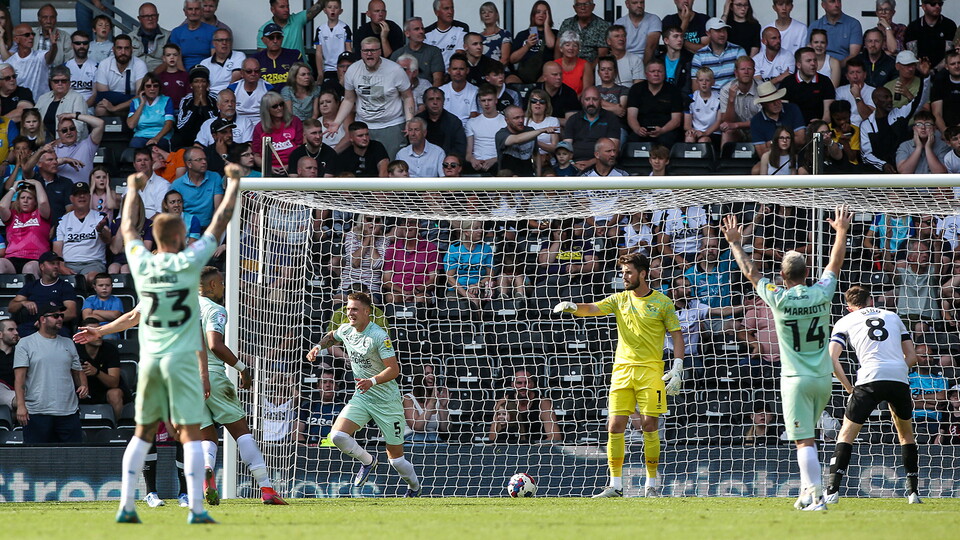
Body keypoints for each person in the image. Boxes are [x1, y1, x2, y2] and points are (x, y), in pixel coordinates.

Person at [112, 160, 241, 524]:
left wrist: (134, 189)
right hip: (181, 361)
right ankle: (196, 508)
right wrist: (232, 184)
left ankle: (126, 504)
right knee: (190, 433)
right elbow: (219, 224)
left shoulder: (142, 262)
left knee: (143, 432)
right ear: (181, 236)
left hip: (151, 359)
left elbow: (127, 228)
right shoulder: (189, 263)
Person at [721, 204, 852, 511]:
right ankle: (807, 491)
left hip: (794, 379)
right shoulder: (822, 292)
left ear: (782, 275)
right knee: (810, 436)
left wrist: (735, 243)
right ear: (807, 273)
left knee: (803, 440)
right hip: (822, 378)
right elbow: (835, 264)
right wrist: (842, 232)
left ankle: (818, 498)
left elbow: (751, 272)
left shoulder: (776, 297)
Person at [554, 252, 683, 497]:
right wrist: (573, 307)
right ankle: (615, 485)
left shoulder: (663, 302)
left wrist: (677, 367)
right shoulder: (619, 299)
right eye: (622, 272)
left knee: (649, 425)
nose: (624, 276)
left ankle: (651, 485)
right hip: (621, 372)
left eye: (628, 272)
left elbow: (676, 334)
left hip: (650, 372)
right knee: (614, 427)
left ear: (643, 274)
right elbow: (593, 308)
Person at [306, 291, 422, 497]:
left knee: (396, 460)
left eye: (355, 309)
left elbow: (394, 370)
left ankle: (414, 487)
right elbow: (331, 336)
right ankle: (368, 461)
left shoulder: (378, 336)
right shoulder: (347, 330)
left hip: (387, 401)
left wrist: (373, 381)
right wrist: (317, 347)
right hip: (363, 397)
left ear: (367, 312)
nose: (350, 313)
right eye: (348, 308)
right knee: (337, 436)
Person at [824, 285, 922, 505]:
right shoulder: (893, 316)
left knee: (846, 434)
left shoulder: (845, 321)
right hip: (897, 376)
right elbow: (913, 356)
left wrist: (850, 389)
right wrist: (896, 369)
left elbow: (831, 359)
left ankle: (832, 491)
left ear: (849, 307)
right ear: (871, 301)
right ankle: (913, 493)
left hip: (868, 378)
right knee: (906, 435)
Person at [328, 36, 414, 160]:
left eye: (373, 50)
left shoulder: (395, 70)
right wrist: (336, 123)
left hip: (391, 125)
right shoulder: (352, 70)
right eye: (365, 51)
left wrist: (409, 121)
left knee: (391, 165)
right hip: (364, 126)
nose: (369, 54)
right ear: (361, 52)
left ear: (380, 51)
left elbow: (408, 97)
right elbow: (349, 99)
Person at [13, 302, 86, 444]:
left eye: (61, 316)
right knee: (38, 460)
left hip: (68, 412)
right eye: (55, 316)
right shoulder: (25, 343)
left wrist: (83, 384)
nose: (60, 318)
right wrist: (21, 406)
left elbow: (78, 371)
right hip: (37, 412)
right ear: (42, 319)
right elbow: (19, 378)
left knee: (72, 457)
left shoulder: (69, 343)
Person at [53, 182, 110, 283]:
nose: (81, 196)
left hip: (93, 263)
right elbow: (57, 249)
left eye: (84, 193)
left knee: (91, 278)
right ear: (71, 198)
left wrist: (100, 230)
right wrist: (61, 267)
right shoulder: (62, 221)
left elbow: (108, 240)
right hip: (68, 263)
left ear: (90, 196)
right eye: (77, 194)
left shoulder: (100, 216)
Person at [626, 59, 683, 147]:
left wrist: (662, 130)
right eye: (652, 71)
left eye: (659, 71)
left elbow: (676, 120)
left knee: (667, 141)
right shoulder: (636, 89)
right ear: (646, 74)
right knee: (632, 141)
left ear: (664, 74)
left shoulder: (673, 91)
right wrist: (638, 129)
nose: (656, 74)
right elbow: (631, 116)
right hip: (642, 130)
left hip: (666, 131)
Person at [382, 218, 440, 305]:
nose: (408, 225)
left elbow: (434, 279)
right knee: (391, 297)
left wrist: (415, 290)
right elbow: (386, 279)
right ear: (401, 226)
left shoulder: (430, 248)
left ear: (419, 226)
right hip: (398, 291)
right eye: (404, 223)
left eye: (412, 222)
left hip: (422, 292)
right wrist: (403, 292)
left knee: (420, 299)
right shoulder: (392, 249)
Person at [0, 179, 49, 276]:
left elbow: (43, 202)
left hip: (36, 258)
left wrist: (37, 183)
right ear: (18, 200)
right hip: (13, 258)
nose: (25, 201)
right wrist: (14, 187)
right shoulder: (12, 215)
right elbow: (1, 206)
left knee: (29, 268)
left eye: (30, 198)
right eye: (22, 198)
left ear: (35, 202)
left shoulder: (41, 214)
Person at [563, 87, 620, 170]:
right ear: (582, 101)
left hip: (602, 164)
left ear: (600, 101)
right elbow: (566, 148)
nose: (591, 103)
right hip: (575, 164)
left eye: (595, 99)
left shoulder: (611, 119)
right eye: (587, 99)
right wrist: (573, 163)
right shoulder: (573, 119)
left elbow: (613, 150)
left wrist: (590, 163)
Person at [93, 35, 148, 117]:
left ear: (132, 50)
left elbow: (140, 96)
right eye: (119, 48)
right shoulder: (104, 64)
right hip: (114, 104)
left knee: (142, 106)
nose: (123, 52)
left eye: (127, 48)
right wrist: (130, 98)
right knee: (100, 109)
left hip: (132, 106)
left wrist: (115, 108)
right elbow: (103, 95)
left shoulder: (140, 65)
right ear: (113, 49)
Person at [252, 91, 303, 176]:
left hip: (293, 169)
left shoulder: (294, 121)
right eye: (275, 106)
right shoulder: (259, 128)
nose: (279, 108)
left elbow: (300, 147)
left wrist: (290, 166)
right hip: (269, 171)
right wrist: (268, 167)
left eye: (281, 104)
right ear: (267, 110)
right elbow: (256, 155)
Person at [172, 147, 224, 229]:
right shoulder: (177, 184)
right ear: (189, 164)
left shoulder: (215, 177)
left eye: (205, 159)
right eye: (199, 160)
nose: (204, 162)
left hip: (210, 226)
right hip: (186, 228)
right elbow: (175, 212)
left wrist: (212, 229)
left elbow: (218, 207)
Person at [781, 47, 835, 124]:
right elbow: (784, 112)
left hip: (818, 128)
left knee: (818, 135)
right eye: (808, 61)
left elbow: (828, 115)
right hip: (794, 128)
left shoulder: (825, 82)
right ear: (798, 65)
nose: (813, 63)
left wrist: (820, 124)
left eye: (815, 60)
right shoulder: (787, 82)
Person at [51, 111, 105, 187]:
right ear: (58, 133)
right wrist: (64, 160)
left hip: (84, 194)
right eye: (64, 130)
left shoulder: (87, 145)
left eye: (72, 128)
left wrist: (73, 115)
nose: (69, 132)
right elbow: (44, 166)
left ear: (76, 130)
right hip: (62, 195)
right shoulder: (53, 150)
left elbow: (100, 123)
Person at [509, 1, 556, 85]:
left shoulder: (554, 33)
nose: (541, 15)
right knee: (510, 80)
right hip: (523, 73)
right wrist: (527, 46)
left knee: (546, 81)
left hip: (543, 75)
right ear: (533, 15)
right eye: (538, 12)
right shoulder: (522, 34)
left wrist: (546, 25)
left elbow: (551, 44)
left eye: (545, 13)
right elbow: (512, 59)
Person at [691, 18, 745, 91]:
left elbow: (745, 78)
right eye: (718, 31)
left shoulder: (738, 50)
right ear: (708, 33)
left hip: (733, 96)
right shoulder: (699, 55)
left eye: (724, 30)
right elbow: (696, 86)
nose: (722, 34)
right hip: (710, 98)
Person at [390, 17, 444, 88]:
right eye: (417, 29)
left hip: (426, 94)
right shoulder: (397, 54)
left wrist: (430, 96)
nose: (421, 31)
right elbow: (391, 79)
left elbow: (438, 79)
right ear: (407, 33)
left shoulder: (434, 52)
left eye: (422, 28)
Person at [173, 66, 218, 149]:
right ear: (191, 85)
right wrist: (195, 104)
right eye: (196, 82)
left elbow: (216, 123)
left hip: (210, 135)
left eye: (203, 81)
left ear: (207, 84)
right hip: (190, 135)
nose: (200, 85)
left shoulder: (215, 99)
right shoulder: (186, 100)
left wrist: (204, 103)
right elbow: (180, 126)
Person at [904, 0, 956, 70]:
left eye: (940, 4)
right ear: (923, 6)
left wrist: (934, 71)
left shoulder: (949, 25)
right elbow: (912, 54)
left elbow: (950, 54)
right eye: (933, 4)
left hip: (944, 71)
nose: (937, 6)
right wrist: (921, 69)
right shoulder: (913, 27)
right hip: (918, 70)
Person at [465, 85, 506, 174]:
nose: (486, 104)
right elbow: (468, 153)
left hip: (498, 163)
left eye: (489, 100)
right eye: (483, 100)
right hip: (477, 163)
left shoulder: (505, 121)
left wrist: (494, 160)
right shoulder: (472, 122)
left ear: (496, 100)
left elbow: (509, 151)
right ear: (479, 102)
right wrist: (473, 160)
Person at [808, 0, 862, 66]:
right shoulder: (815, 25)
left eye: (839, 1)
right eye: (832, 1)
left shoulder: (853, 24)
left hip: (844, 68)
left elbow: (854, 55)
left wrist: (836, 67)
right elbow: (809, 51)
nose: (837, 5)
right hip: (819, 68)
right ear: (823, 5)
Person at [126, 73, 174, 149]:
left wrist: (156, 138)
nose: (152, 88)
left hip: (161, 136)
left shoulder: (166, 100)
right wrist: (142, 104)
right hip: (140, 136)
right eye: (148, 86)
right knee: (135, 144)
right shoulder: (135, 102)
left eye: (155, 86)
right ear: (143, 88)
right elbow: (131, 125)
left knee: (157, 147)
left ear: (159, 88)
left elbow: (169, 124)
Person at [416, 86, 466, 158]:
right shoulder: (417, 121)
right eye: (431, 99)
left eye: (438, 99)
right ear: (425, 102)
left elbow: (460, 148)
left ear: (443, 102)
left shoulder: (454, 121)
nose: (435, 102)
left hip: (446, 162)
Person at [403, 366, 448, 442]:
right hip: (413, 438)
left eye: (432, 373)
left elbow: (445, 429)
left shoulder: (437, 398)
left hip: (434, 438)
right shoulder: (408, 398)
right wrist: (431, 403)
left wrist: (443, 406)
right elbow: (417, 427)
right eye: (427, 374)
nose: (431, 376)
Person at [169, 0, 216, 71]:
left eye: (197, 9)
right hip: (184, 73)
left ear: (202, 11)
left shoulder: (213, 31)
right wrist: (185, 77)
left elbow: (214, 59)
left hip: (207, 73)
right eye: (190, 9)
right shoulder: (176, 32)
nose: (193, 12)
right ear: (185, 11)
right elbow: (177, 60)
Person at [614, 0, 661, 67]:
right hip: (625, 61)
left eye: (641, 2)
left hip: (648, 61)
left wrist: (642, 69)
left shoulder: (653, 19)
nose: (639, 5)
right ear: (627, 4)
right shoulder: (619, 23)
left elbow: (651, 47)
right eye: (635, 3)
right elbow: (617, 49)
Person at [314, 0, 352, 81]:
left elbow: (349, 49)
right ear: (324, 10)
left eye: (336, 7)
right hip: (327, 69)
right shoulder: (320, 29)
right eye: (330, 7)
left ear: (340, 11)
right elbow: (318, 53)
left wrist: (350, 68)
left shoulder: (345, 28)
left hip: (342, 67)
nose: (333, 10)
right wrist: (320, 73)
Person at [425, 0, 470, 67]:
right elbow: (427, 60)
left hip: (454, 73)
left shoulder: (462, 28)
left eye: (452, 8)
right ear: (436, 12)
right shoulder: (427, 32)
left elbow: (460, 55)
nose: (450, 12)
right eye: (446, 8)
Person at [199, 29, 244, 94]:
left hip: (233, 94)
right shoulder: (205, 63)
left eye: (227, 40)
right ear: (213, 43)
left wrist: (226, 94)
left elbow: (236, 78)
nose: (224, 43)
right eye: (220, 40)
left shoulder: (239, 56)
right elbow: (204, 85)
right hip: (212, 96)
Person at [228, 58, 272, 123]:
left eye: (256, 71)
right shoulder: (232, 89)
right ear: (242, 73)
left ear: (260, 73)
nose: (253, 74)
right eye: (249, 71)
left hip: (262, 124)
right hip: (237, 124)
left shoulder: (268, 88)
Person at [439, 53, 478, 127]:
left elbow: (474, 116)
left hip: (467, 131)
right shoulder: (441, 91)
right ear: (449, 70)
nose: (458, 72)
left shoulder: (476, 91)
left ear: (467, 70)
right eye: (454, 69)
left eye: (461, 69)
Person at [131, 3, 171, 72]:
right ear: (139, 18)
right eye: (146, 16)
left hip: (159, 77)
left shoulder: (168, 36)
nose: (150, 19)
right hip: (135, 76)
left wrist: (153, 76)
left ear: (158, 17)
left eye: (153, 15)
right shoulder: (130, 38)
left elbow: (171, 60)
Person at [685, 67, 720, 143]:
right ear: (697, 81)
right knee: (689, 138)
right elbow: (686, 125)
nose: (704, 83)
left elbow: (719, 122)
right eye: (701, 80)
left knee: (703, 140)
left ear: (713, 82)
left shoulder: (719, 98)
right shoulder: (690, 99)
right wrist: (693, 131)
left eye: (707, 80)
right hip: (696, 132)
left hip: (713, 133)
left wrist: (705, 133)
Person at [931, 50, 960, 135]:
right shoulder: (940, 82)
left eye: (959, 63)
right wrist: (946, 133)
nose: (957, 66)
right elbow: (937, 113)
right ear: (946, 67)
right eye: (953, 64)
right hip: (944, 129)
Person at [556, 32, 592, 96]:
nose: (571, 48)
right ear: (561, 48)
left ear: (578, 49)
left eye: (575, 45)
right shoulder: (555, 64)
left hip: (578, 102)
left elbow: (586, 91)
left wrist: (573, 101)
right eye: (567, 45)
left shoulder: (585, 65)